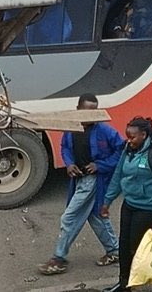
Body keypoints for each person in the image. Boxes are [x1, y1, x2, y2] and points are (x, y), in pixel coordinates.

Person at [38, 94, 124, 277]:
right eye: (86, 111)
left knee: (69, 217)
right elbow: (65, 148)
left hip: (94, 180)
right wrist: (69, 164)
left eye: (94, 112)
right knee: (95, 216)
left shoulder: (105, 131)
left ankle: (59, 259)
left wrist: (100, 165)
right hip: (79, 178)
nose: (90, 116)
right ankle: (114, 251)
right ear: (78, 109)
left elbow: (121, 151)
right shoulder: (71, 128)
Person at [100, 116, 152, 292]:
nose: (129, 140)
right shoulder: (129, 149)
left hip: (149, 208)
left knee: (139, 248)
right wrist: (107, 201)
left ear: (144, 134)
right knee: (124, 246)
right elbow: (118, 175)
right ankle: (123, 283)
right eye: (127, 136)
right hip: (130, 205)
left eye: (133, 137)